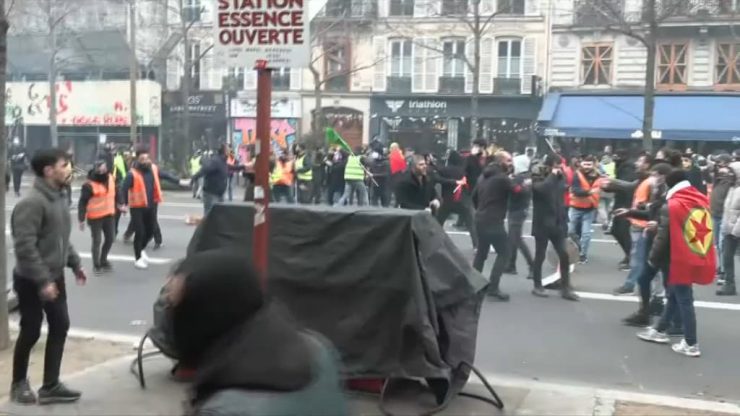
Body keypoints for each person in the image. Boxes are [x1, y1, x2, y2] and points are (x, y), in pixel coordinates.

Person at [166, 249, 348, 415]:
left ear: (207, 313)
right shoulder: (318, 348)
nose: (170, 314)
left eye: (174, 305)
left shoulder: (224, 409)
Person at [10, 148, 87, 405]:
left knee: (60, 325)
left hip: (54, 276)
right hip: (31, 279)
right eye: (64, 165)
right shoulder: (32, 203)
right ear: (48, 170)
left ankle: (50, 385)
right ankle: (18, 383)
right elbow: (25, 248)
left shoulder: (59, 197)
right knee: (31, 330)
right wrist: (43, 281)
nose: (69, 169)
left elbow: (60, 239)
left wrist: (75, 264)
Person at [637, 169, 716, 357]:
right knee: (674, 295)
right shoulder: (699, 199)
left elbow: (663, 238)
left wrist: (652, 260)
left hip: (678, 257)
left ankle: (691, 342)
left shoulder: (672, 205)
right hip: (694, 252)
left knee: (684, 299)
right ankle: (660, 330)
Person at [472, 151, 521, 301]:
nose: (511, 163)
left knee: (481, 253)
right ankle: (493, 287)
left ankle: (474, 285)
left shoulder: (483, 176)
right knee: (504, 252)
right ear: (501, 162)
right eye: (508, 160)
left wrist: (482, 208)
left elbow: (474, 197)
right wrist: (523, 183)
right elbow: (518, 192)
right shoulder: (502, 178)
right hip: (493, 220)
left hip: (480, 218)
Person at [530, 155, 579, 301]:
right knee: (540, 255)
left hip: (557, 222)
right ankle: (537, 285)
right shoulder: (538, 176)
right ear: (551, 165)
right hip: (542, 223)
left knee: (564, 255)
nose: (560, 168)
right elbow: (542, 190)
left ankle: (565, 288)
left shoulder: (559, 177)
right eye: (558, 165)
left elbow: (560, 193)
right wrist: (552, 175)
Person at [122, 147, 177, 269]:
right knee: (140, 232)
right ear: (137, 160)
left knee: (151, 231)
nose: (146, 161)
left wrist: (179, 181)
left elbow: (166, 175)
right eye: (142, 159)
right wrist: (124, 204)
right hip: (137, 207)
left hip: (151, 205)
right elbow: (124, 188)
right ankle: (138, 258)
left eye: (147, 158)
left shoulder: (153, 168)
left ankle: (141, 250)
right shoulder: (133, 174)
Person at [608, 154, 654, 295]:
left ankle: (632, 286)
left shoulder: (651, 181)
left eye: (640, 161)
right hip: (638, 222)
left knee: (640, 258)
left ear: (647, 164)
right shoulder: (642, 179)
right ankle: (646, 288)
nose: (636, 163)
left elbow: (654, 205)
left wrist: (639, 208)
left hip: (643, 225)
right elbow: (629, 186)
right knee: (642, 258)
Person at [77, 160, 120, 275]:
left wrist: (121, 203)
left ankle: (103, 260)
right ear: (96, 169)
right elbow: (82, 203)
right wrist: (81, 219)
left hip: (109, 214)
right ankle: (96, 265)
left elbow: (116, 191)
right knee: (97, 241)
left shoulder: (111, 178)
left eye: (104, 167)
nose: (103, 170)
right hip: (95, 217)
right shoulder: (89, 185)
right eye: (100, 168)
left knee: (110, 238)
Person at [435, 151, 476, 247]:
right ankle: (476, 245)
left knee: (437, 223)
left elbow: (436, 178)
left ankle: (433, 243)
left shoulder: (444, 170)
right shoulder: (463, 171)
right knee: (471, 225)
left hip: (447, 201)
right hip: (463, 201)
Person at [504, 154, 534, 278]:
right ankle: (511, 265)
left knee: (517, 239)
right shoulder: (526, 177)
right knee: (513, 238)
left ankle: (532, 266)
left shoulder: (518, 179)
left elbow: (514, 191)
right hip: (520, 209)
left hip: (516, 210)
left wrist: (508, 180)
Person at [568, 155, 602, 264]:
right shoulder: (576, 175)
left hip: (589, 208)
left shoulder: (598, 175)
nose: (587, 166)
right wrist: (589, 192)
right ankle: (576, 248)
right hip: (575, 207)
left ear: (593, 165)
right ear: (581, 164)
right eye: (585, 164)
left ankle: (583, 255)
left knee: (586, 234)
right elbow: (575, 190)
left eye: (589, 164)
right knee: (570, 231)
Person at [710, 154, 734, 284]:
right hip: (715, 213)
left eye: (720, 164)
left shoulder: (731, 179)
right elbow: (708, 176)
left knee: (722, 244)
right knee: (717, 245)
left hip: (725, 214)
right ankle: (721, 267)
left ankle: (724, 271)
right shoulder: (717, 178)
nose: (718, 166)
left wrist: (727, 173)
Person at [718, 161, 740, 296]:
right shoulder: (731, 189)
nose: (728, 175)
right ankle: (729, 284)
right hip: (728, 230)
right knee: (726, 258)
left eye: (731, 172)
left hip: (736, 231)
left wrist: (736, 230)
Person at [192, 145, 229, 215]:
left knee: (218, 214)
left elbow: (230, 167)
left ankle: (214, 225)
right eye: (229, 150)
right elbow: (204, 169)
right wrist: (193, 178)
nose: (231, 152)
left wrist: (243, 167)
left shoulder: (222, 161)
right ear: (224, 151)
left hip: (219, 193)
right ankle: (207, 225)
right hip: (211, 193)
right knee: (210, 215)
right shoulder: (215, 161)